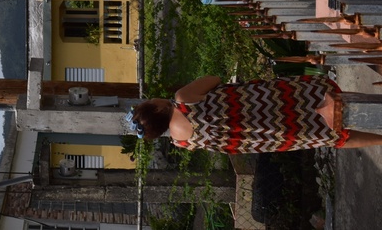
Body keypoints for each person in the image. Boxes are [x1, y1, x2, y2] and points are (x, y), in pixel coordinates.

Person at [127, 75, 382, 153]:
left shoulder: (182, 142)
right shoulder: (183, 100)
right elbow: (214, 78)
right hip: (277, 103)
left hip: (276, 132)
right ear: (158, 108)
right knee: (328, 101)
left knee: (332, 136)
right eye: (151, 101)